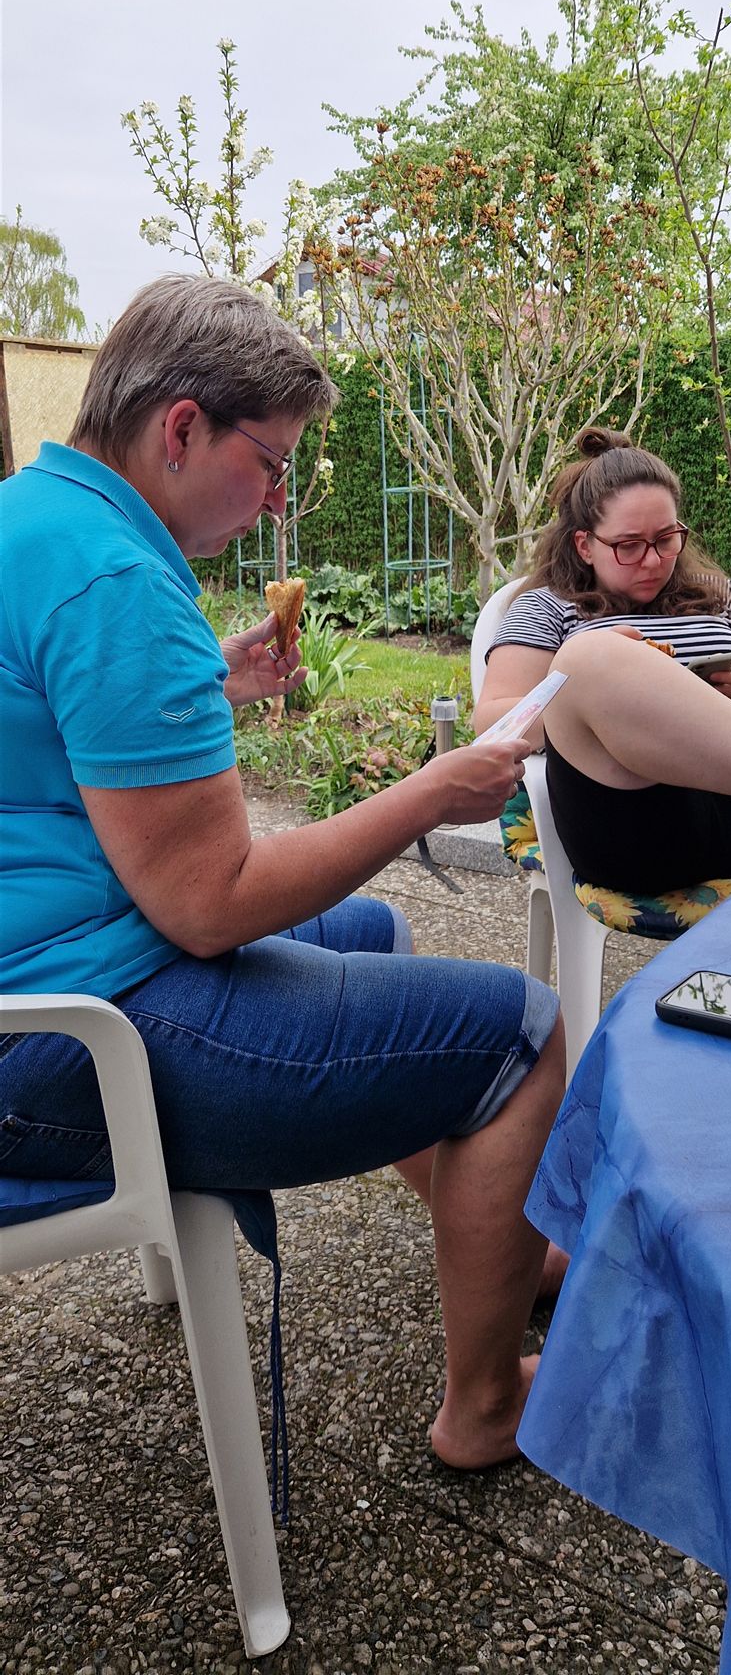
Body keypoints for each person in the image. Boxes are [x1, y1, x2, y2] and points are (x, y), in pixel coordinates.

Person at [0, 273, 567, 1472]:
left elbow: (46, 724)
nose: (273, 503)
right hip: (61, 1037)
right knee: (519, 1031)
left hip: (38, 970)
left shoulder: (33, 520)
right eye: (269, 464)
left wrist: (209, 678)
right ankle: (484, 1409)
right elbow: (211, 905)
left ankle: (496, 1236)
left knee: (366, 932)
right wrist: (431, 791)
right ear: (181, 427)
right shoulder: (117, 579)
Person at [474, 426, 731, 895]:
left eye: (666, 539)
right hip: (643, 827)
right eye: (629, 546)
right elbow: (492, 723)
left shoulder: (721, 595)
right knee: (585, 659)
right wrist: (606, 689)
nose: (653, 561)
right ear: (585, 545)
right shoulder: (548, 606)